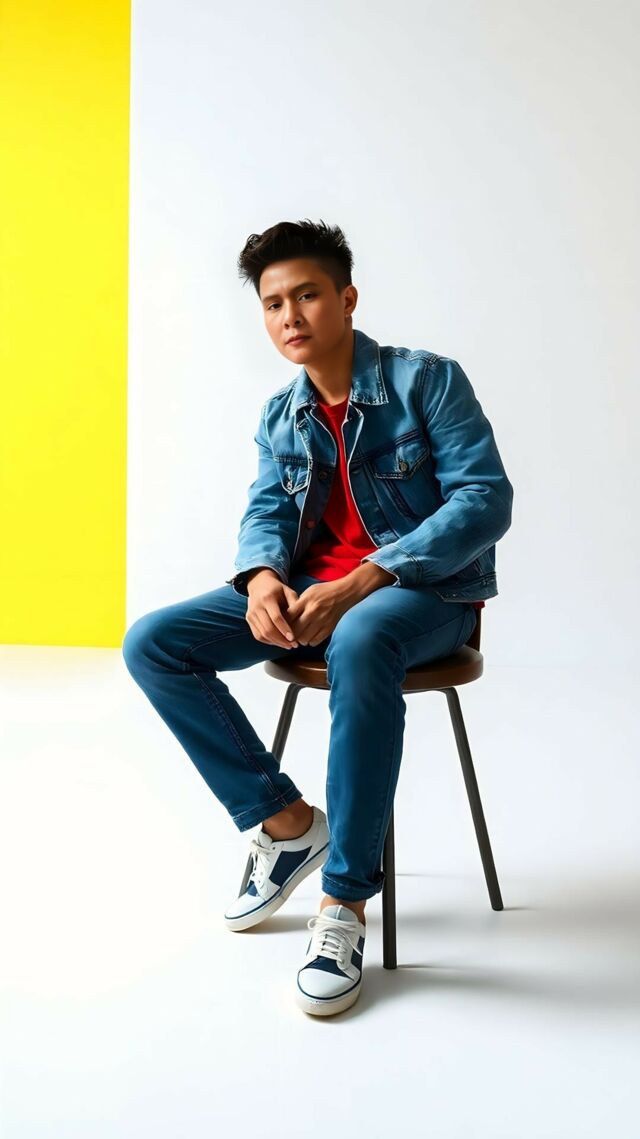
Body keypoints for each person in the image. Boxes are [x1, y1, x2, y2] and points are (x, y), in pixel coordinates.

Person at [122, 218, 514, 1017]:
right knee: (154, 643)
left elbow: (485, 499)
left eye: (306, 295)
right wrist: (263, 578)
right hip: (310, 594)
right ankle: (287, 822)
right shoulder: (280, 414)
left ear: (347, 298)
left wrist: (367, 577)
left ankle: (344, 903)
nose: (289, 316)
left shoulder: (426, 381)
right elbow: (268, 509)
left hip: (427, 597)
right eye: (273, 304)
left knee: (362, 635)